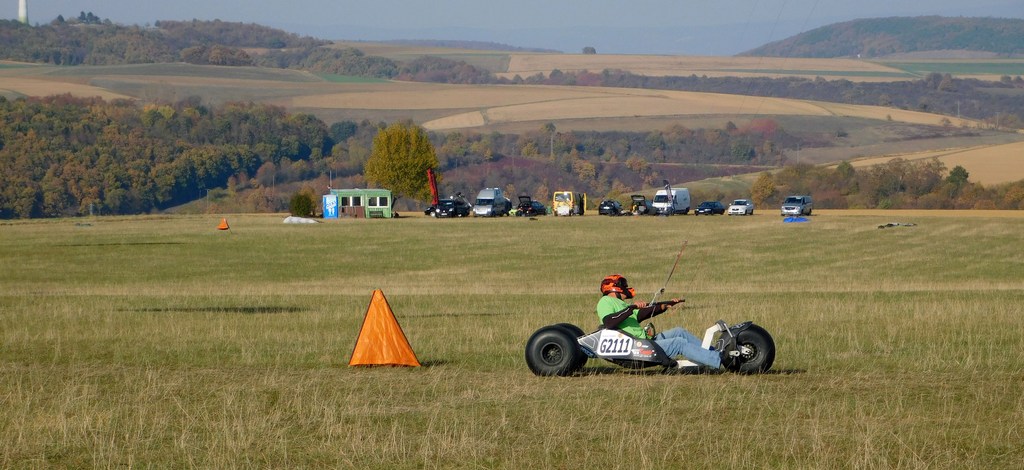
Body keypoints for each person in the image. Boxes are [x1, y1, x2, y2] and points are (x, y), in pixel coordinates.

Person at [595, 274, 734, 369]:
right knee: (678, 343)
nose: (627, 287)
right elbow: (609, 322)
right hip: (636, 347)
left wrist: (664, 306)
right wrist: (631, 308)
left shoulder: (622, 304)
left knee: (679, 332)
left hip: (645, 341)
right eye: (623, 284)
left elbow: (641, 314)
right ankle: (721, 360)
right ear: (614, 287)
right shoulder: (605, 301)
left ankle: (713, 352)